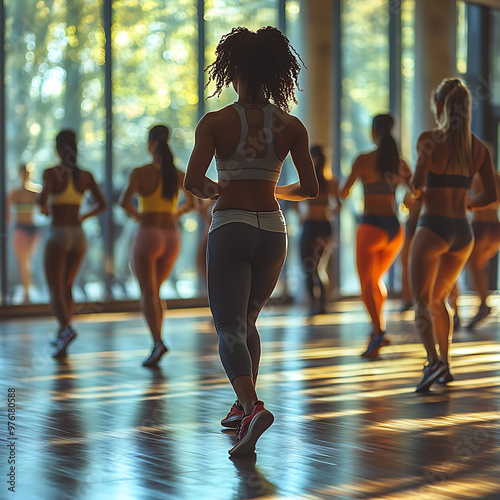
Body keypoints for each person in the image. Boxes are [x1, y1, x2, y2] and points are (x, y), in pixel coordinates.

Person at [184, 26, 318, 456]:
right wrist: (273, 189)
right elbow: (310, 188)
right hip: (273, 233)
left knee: (228, 326)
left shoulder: (216, 122)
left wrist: (219, 190)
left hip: (231, 228)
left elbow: (193, 182)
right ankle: (243, 410)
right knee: (248, 322)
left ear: (234, 69)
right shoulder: (292, 126)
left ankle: (252, 406)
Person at [409, 78, 496, 392]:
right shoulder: (479, 148)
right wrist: (468, 202)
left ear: (440, 106)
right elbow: (491, 194)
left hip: (432, 228)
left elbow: (416, 186)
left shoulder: (429, 139)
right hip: (462, 232)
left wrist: (416, 182)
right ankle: (445, 363)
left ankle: (433, 362)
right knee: (439, 299)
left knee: (421, 301)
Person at [120, 125, 194, 367]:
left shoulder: (141, 172)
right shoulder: (178, 174)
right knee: (156, 293)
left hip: (148, 234)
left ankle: (157, 342)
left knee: (148, 293)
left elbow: (123, 203)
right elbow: (193, 203)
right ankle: (157, 342)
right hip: (171, 237)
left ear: (150, 144)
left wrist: (139, 216)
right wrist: (175, 213)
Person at [340, 114, 412, 359]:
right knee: (376, 281)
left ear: (373, 133)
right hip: (395, 229)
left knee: (366, 286)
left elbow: (343, 191)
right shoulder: (399, 163)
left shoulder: (363, 159)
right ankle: (377, 332)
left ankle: (378, 331)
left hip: (370, 227)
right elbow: (416, 193)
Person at [38, 130, 108, 358]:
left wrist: (45, 207)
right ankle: (62, 332)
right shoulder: (84, 175)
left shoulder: (50, 172)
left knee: (54, 287)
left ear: (58, 148)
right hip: (78, 235)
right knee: (67, 286)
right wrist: (82, 217)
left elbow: (42, 202)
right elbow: (102, 204)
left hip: (58, 233)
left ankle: (67, 329)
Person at [300, 144, 340, 316]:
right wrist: (327, 213)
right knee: (314, 267)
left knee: (313, 267)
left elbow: (338, 205)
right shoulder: (329, 182)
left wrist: (304, 215)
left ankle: (317, 305)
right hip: (320, 225)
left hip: (315, 225)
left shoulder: (320, 181)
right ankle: (319, 305)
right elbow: (338, 205)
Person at [465, 166, 500, 329]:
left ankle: (483, 304)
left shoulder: (474, 177)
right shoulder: (497, 177)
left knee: (474, 266)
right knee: (480, 266)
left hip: (481, 227)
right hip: (495, 227)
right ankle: (483, 303)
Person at [6, 164, 42, 303]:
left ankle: (28, 292)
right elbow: (7, 214)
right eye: (23, 172)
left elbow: (45, 208)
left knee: (28, 261)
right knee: (24, 262)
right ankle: (26, 293)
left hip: (32, 228)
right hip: (20, 229)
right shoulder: (15, 193)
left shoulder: (36, 191)